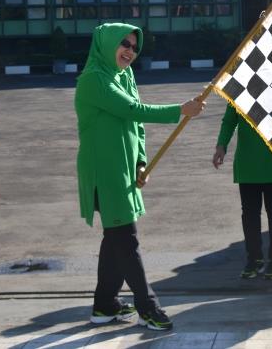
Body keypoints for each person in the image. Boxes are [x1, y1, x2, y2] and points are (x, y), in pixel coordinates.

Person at [76, 23, 205, 332]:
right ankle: (148, 306)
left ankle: (104, 305)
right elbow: (132, 109)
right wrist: (180, 110)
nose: (130, 51)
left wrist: (141, 162)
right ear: (106, 44)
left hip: (124, 168)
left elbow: (135, 127)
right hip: (104, 172)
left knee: (115, 238)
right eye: (124, 44)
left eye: (134, 47)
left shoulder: (125, 75)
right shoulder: (94, 79)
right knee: (126, 238)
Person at [213, 103, 272, 280]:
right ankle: (254, 259)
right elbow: (229, 120)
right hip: (247, 163)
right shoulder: (240, 85)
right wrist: (221, 146)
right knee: (249, 214)